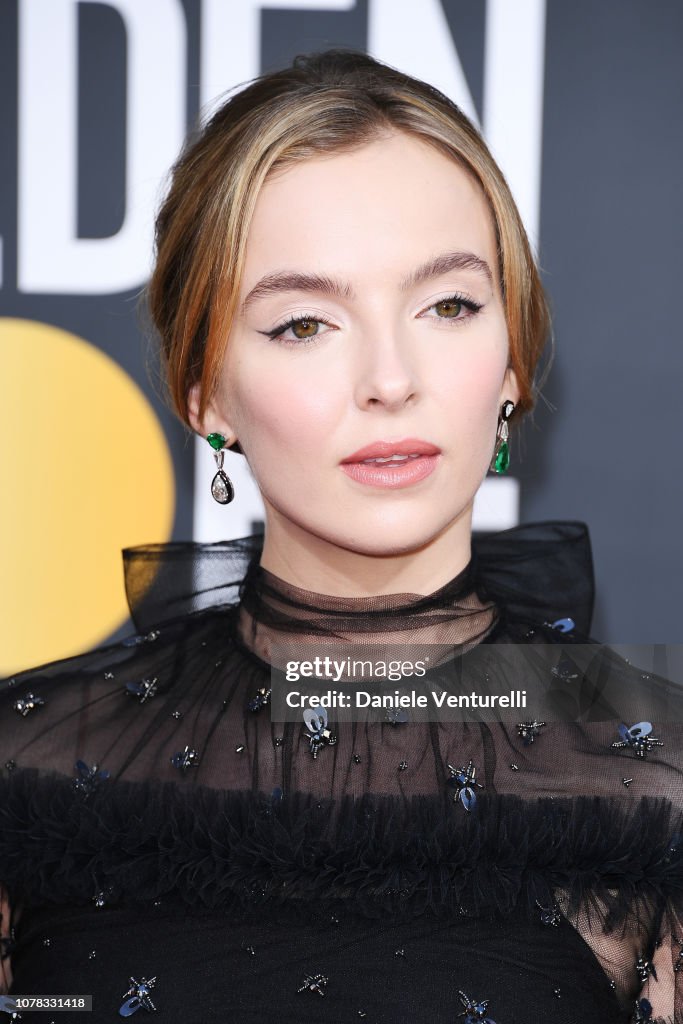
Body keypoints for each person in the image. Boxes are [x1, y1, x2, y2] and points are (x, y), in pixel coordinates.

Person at [1, 48, 682, 1024]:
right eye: (303, 323)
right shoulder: (25, 768)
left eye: (447, 305)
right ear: (203, 390)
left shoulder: (655, 776)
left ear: (511, 364)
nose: (390, 377)